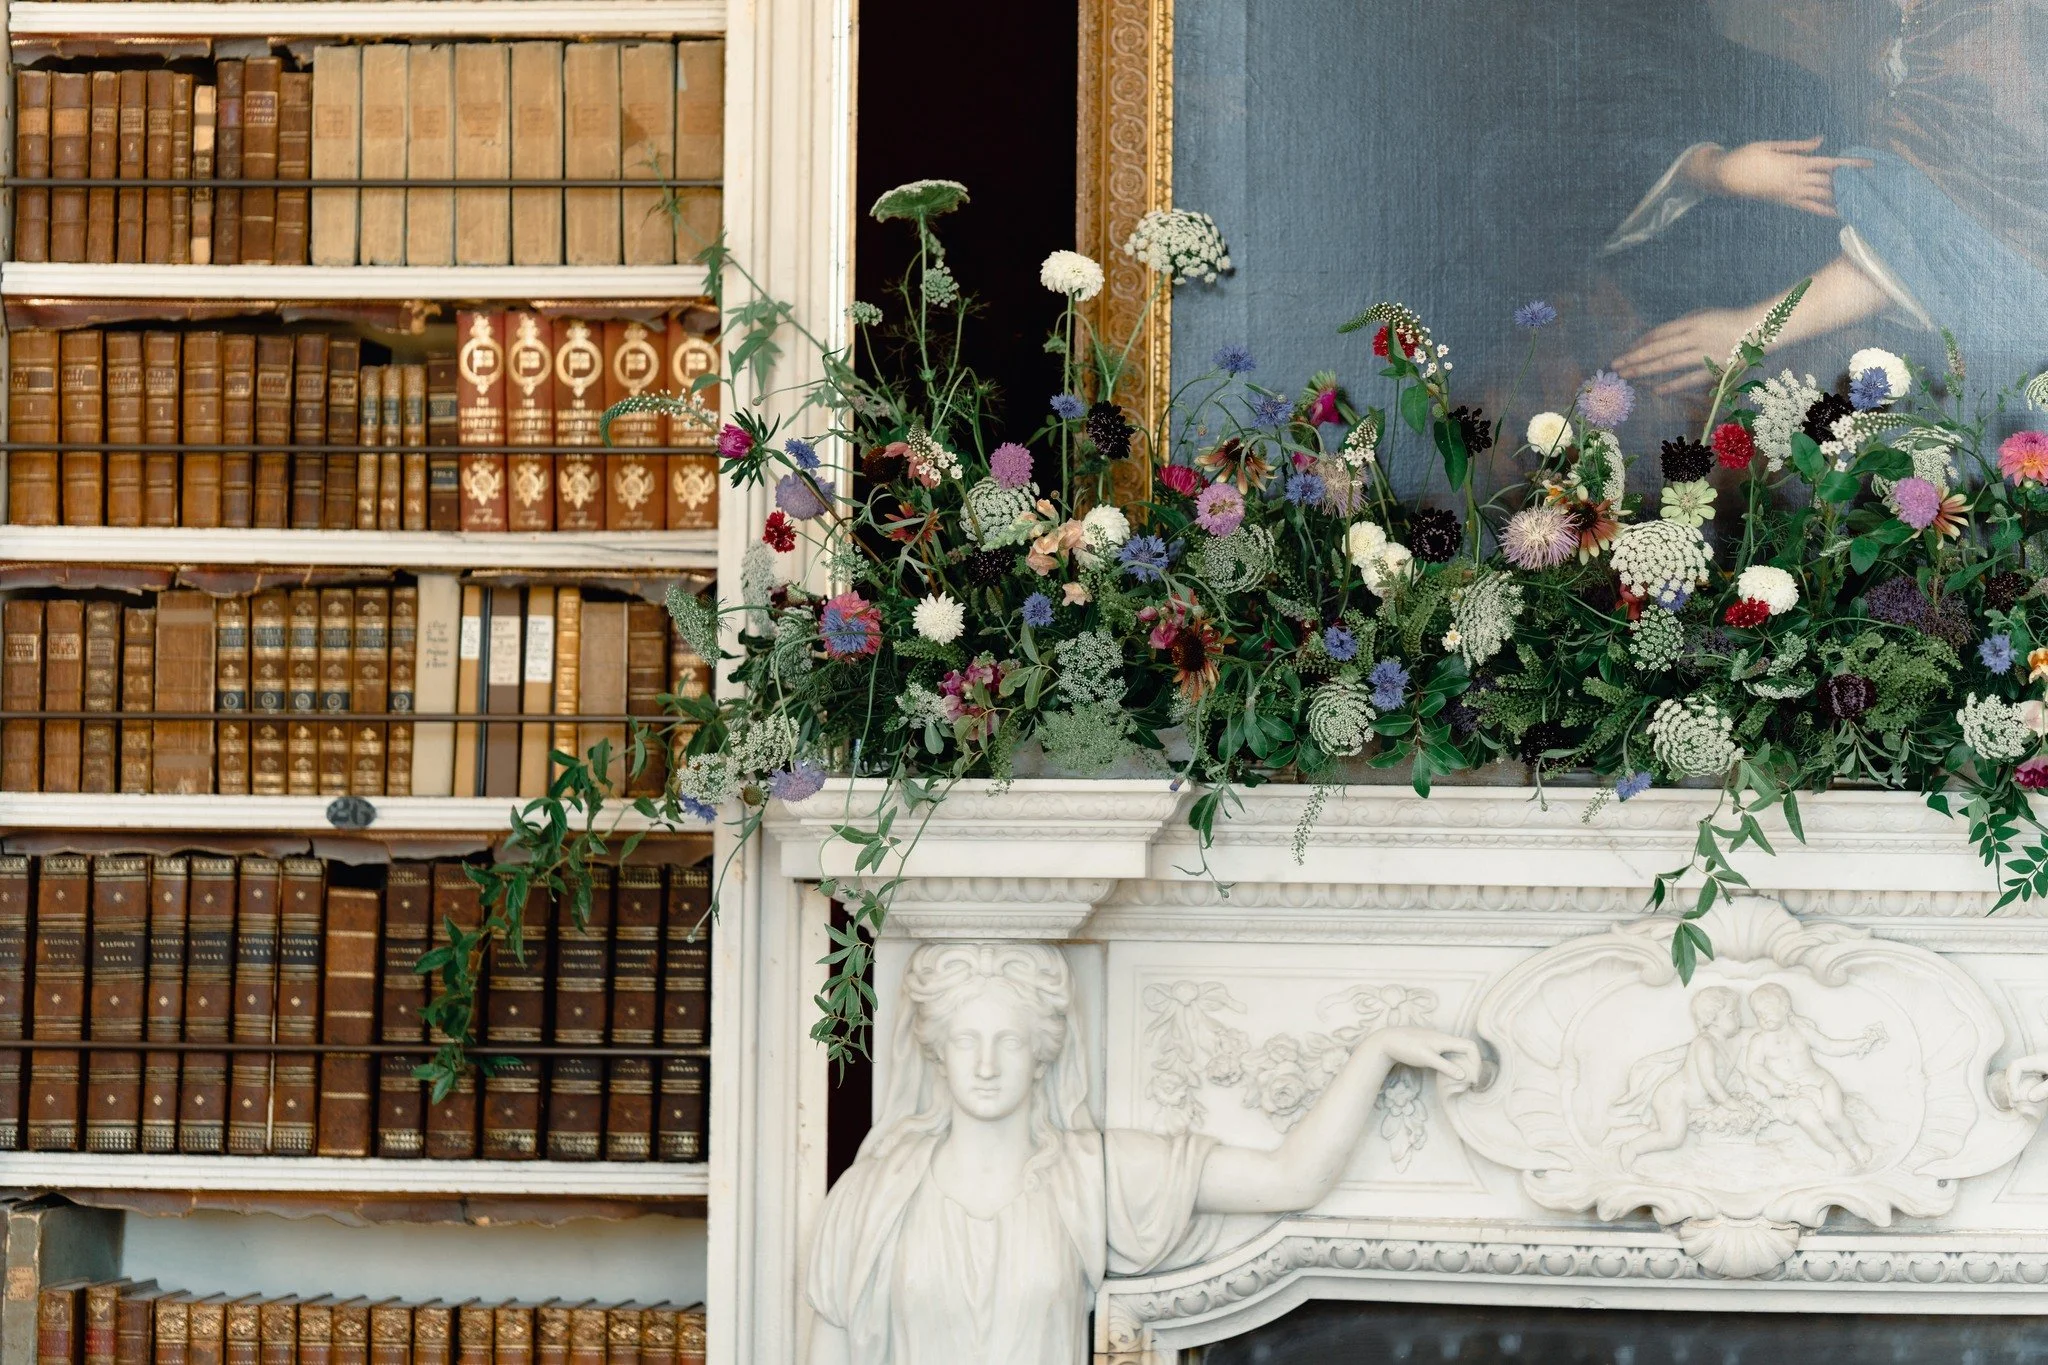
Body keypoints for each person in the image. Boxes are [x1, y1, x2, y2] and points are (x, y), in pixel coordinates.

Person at [805, 943, 1479, 1365]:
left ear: (1041, 1055)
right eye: (965, 1040)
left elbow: (1290, 1178)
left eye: (1007, 1040)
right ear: (935, 1050)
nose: (984, 1063)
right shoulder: (871, 1199)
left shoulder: (1092, 1174)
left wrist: (1378, 1051)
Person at [1615, 0, 2048, 393]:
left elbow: (1952, 236)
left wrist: (1752, 331)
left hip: (1998, 338)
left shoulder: (1981, 28)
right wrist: (1714, 170)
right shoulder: (1887, 30)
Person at [1609, 986, 1762, 1165]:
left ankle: (1618, 1134)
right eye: (1732, 1013)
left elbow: (1755, 1032)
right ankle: (1630, 1149)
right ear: (1712, 1019)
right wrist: (1730, 1103)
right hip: (1673, 1097)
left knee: (1656, 1130)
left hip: (1687, 1100)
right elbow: (1709, 1080)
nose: (1739, 1017)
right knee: (1672, 1137)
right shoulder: (1704, 1043)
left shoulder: (1726, 1041)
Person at [1740, 982, 1885, 1168]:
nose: (1763, 1016)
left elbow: (1829, 1046)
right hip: (1793, 1093)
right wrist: (1771, 1082)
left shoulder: (1801, 1030)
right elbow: (1754, 1066)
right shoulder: (1759, 1041)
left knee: (1833, 1116)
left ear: (1785, 1007)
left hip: (1822, 1082)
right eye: (1758, 1013)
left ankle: (1856, 1143)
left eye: (1767, 1010)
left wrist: (1859, 1043)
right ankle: (1839, 1151)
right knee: (1811, 1122)